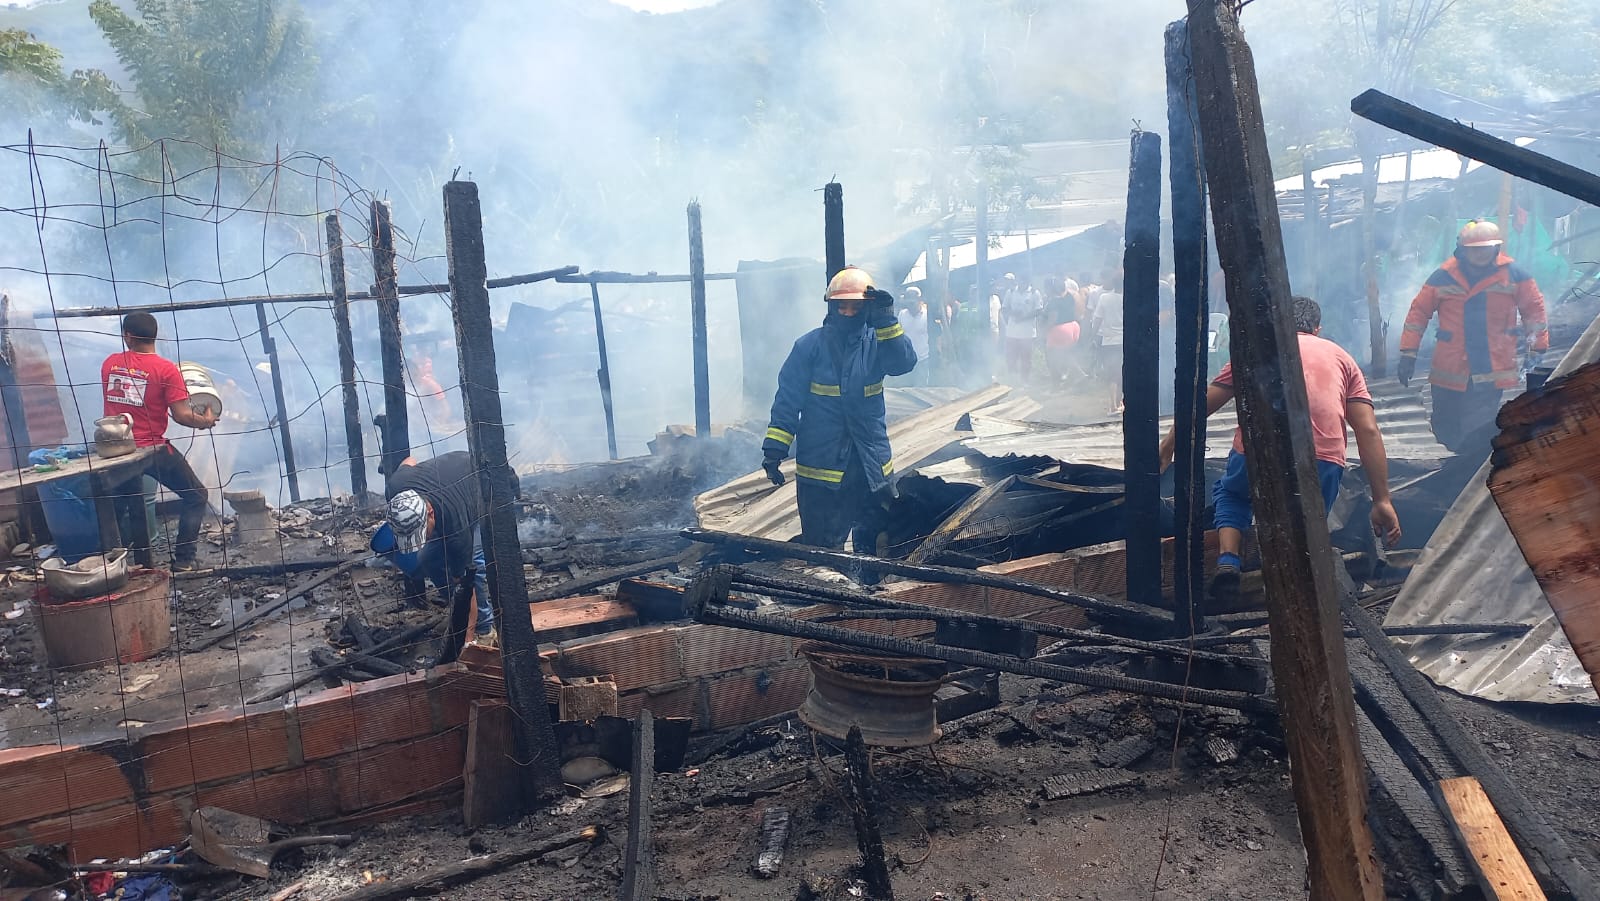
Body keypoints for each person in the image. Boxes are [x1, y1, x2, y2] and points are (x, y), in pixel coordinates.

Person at [1159, 297, 1403, 606]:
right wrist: (1382, 500)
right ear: (1317, 328)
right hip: (1324, 460)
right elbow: (1367, 430)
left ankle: (1228, 561)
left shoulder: (1256, 351)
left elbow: (1200, 406)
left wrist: (1167, 446)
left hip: (1257, 453)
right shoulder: (1343, 358)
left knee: (1233, 494)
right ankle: (1296, 590)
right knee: (1307, 522)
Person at [762, 267, 917, 550]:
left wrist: (887, 321)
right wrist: (774, 450)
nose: (848, 313)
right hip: (821, 472)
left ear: (867, 308)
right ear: (831, 306)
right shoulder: (808, 347)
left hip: (870, 468)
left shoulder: (877, 342)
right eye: (842, 306)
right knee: (821, 551)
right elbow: (787, 401)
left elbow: (903, 364)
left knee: (876, 546)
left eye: (855, 307)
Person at [1398, 219, 1548, 453]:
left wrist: (1537, 349)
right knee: (1444, 425)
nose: (1480, 254)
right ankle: (1455, 463)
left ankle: (1468, 468)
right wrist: (1408, 353)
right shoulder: (1444, 276)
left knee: (1477, 430)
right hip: (1449, 368)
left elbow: (1534, 311)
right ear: (1462, 249)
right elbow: (1418, 313)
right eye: (1474, 249)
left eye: (1485, 248)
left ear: (1496, 248)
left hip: (1491, 367)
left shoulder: (1515, 275)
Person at [101, 311, 217, 571]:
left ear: (128, 336)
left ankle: (111, 567)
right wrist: (206, 420)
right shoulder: (166, 370)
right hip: (150, 449)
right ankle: (184, 561)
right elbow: (182, 415)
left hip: (116, 448)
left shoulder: (110, 364)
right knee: (196, 495)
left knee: (116, 507)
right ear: (155, 336)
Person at [386, 451, 498, 657]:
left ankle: (483, 629)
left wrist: (466, 640)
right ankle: (458, 613)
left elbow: (467, 586)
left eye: (422, 533)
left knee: (475, 566)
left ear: (430, 513)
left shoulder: (456, 529)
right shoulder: (396, 487)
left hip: (483, 488)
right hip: (450, 479)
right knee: (427, 558)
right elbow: (409, 461)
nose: (421, 539)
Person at [1000, 272, 1044, 383]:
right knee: (1011, 357)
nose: (1022, 283)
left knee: (1026, 358)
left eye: (1024, 281)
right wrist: (1013, 313)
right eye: (1020, 281)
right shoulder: (1010, 292)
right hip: (1012, 332)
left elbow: (1039, 310)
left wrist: (1024, 317)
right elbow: (1004, 308)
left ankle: (1025, 381)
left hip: (1027, 332)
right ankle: (1013, 380)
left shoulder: (1034, 293)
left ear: (1028, 282)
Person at [1092, 274, 1125, 414]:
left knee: (1112, 374)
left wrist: (1092, 336)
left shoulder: (1104, 298)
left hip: (1109, 341)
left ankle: (1113, 406)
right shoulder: (1129, 298)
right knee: (1123, 373)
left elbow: (1097, 319)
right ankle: (1120, 402)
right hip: (1125, 342)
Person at [897, 286, 930, 387]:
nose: (910, 304)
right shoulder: (902, 314)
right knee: (905, 388)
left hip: (922, 359)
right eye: (908, 301)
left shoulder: (927, 315)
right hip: (906, 359)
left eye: (913, 301)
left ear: (919, 300)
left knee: (921, 388)